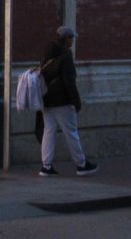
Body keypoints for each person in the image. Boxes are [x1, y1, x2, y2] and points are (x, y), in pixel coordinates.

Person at [37, 25, 97, 177]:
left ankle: (46, 166)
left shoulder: (46, 53)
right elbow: (69, 81)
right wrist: (76, 101)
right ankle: (81, 164)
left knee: (48, 131)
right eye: (72, 38)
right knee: (71, 132)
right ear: (66, 39)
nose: (73, 41)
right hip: (63, 100)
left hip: (46, 98)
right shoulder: (66, 56)